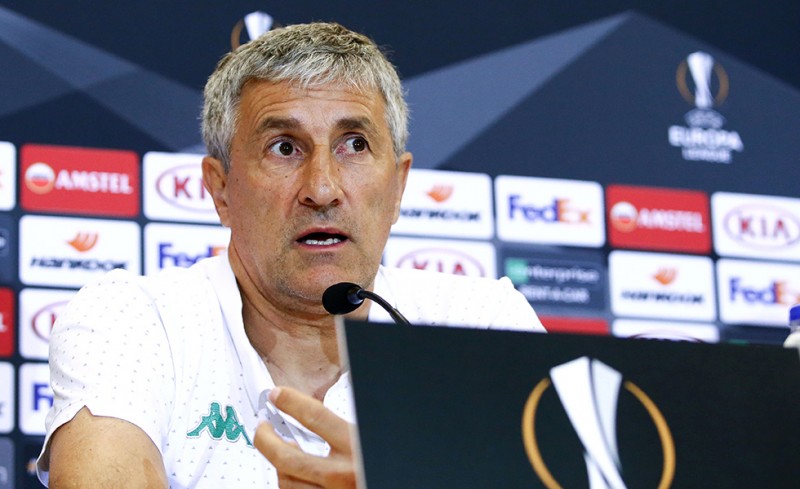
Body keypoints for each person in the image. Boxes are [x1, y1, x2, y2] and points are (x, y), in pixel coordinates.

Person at [37, 22, 545, 488]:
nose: (322, 189)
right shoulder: (136, 320)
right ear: (221, 189)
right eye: (284, 147)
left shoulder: (482, 325)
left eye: (354, 144)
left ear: (397, 188)